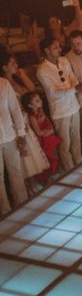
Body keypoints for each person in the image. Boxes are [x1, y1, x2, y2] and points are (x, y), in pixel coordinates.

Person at [1, 54, 50, 191]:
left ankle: (40, 181)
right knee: (25, 156)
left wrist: (23, 75)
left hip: (26, 119)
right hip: (16, 123)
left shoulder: (17, 80)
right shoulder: (4, 84)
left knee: (34, 152)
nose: (16, 65)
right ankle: (30, 188)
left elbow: (32, 90)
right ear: (4, 68)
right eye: (12, 64)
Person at [36, 37, 82, 172]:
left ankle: (80, 162)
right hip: (60, 111)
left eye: (59, 46)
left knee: (76, 138)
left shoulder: (63, 61)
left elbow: (72, 77)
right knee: (65, 143)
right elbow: (53, 93)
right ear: (47, 50)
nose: (60, 49)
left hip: (74, 105)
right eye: (56, 47)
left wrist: (76, 86)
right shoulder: (42, 70)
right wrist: (75, 89)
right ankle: (70, 169)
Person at [0, 75, 28, 215]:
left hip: (9, 135)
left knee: (15, 171)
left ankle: (22, 205)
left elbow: (15, 109)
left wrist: (21, 134)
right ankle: (5, 212)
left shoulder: (3, 84)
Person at [22, 92, 62, 187]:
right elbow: (39, 132)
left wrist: (50, 129)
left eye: (39, 98)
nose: (40, 101)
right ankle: (46, 179)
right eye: (37, 100)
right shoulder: (32, 117)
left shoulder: (41, 111)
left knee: (54, 156)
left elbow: (49, 123)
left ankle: (54, 175)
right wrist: (49, 131)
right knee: (49, 158)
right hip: (44, 140)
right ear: (30, 105)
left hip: (49, 137)